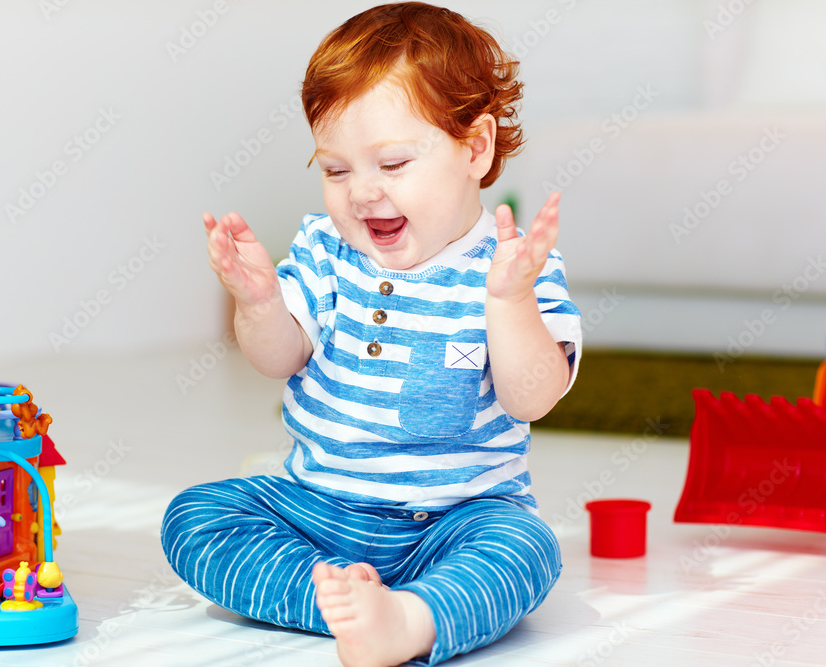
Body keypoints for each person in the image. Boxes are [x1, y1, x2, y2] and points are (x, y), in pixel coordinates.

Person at [162, 3, 582, 665]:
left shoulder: (515, 269)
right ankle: (336, 598)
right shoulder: (326, 250)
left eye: (391, 164)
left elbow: (533, 397)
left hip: (454, 521)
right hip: (319, 508)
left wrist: (508, 302)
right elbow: (277, 358)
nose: (362, 193)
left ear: (475, 148)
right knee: (195, 516)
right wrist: (259, 299)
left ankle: (412, 618)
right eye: (336, 170)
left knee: (526, 549)